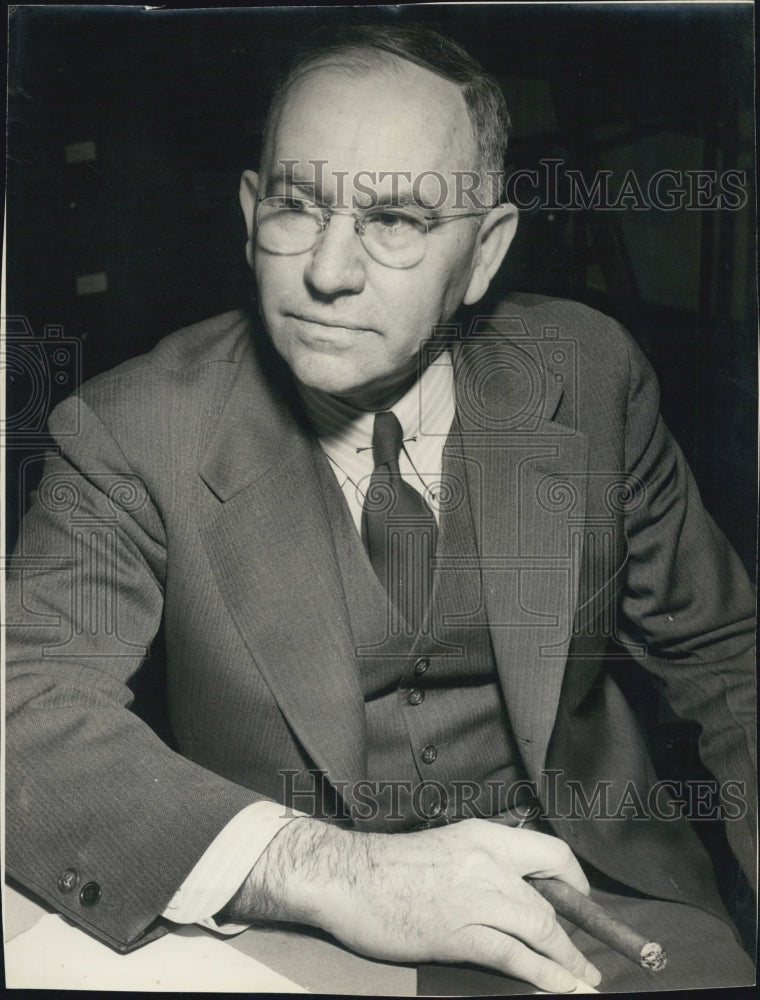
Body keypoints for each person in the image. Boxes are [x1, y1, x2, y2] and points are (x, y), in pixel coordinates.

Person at [5, 23, 756, 994]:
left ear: (483, 256)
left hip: (601, 909)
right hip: (292, 940)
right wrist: (329, 872)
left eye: (396, 220)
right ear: (248, 214)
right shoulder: (131, 427)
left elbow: (724, 654)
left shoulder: (587, 372)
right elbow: (18, 712)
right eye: (296, 205)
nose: (326, 270)